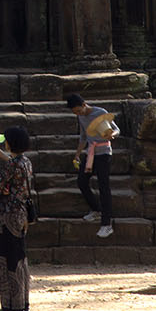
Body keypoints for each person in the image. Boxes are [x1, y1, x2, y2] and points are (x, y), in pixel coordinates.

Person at [0, 124, 34, 311]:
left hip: (8, 214)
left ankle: (11, 304)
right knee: (20, 256)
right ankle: (23, 302)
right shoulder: (27, 163)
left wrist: (3, 189)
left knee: (8, 257)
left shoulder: (11, 164)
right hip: (22, 212)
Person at [66, 90, 115, 238]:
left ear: (84, 104)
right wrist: (77, 154)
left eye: (79, 110)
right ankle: (96, 209)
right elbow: (83, 137)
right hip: (90, 153)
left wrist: (112, 134)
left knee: (103, 187)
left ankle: (107, 224)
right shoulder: (80, 118)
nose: (78, 114)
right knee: (82, 181)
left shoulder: (100, 113)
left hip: (103, 152)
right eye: (75, 113)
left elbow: (116, 129)